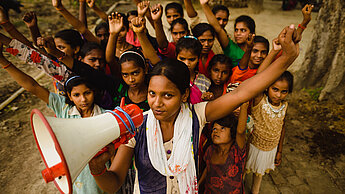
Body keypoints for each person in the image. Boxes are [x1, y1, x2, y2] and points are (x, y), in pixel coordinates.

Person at [87, 24, 299, 194]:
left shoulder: (196, 115)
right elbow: (113, 184)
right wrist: (97, 170)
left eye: (167, 95)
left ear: (185, 95)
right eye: (152, 94)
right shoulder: (136, 126)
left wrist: (287, 57)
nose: (157, 102)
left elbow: (241, 93)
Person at [0, 45, 113, 194]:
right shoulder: (63, 107)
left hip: (98, 180)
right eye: (77, 95)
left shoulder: (105, 116)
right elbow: (32, 86)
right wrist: (3, 62)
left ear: (95, 92)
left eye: (87, 93)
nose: (83, 99)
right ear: (69, 96)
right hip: (74, 179)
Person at [246, 71, 293, 194]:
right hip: (253, 145)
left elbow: (282, 128)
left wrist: (279, 151)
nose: (278, 95)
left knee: (259, 172)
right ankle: (238, 187)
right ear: (267, 87)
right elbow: (260, 76)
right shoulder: (260, 100)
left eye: (284, 91)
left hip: (270, 148)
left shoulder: (285, 106)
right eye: (275, 89)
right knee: (244, 169)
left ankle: (255, 191)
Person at [199, 103, 248, 193]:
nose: (216, 131)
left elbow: (241, 131)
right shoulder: (210, 150)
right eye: (214, 129)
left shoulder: (237, 153)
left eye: (222, 128)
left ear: (232, 132)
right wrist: (198, 185)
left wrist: (244, 104)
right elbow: (207, 169)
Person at [201, 0, 256, 67]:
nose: (238, 33)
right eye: (236, 30)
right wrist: (204, 5)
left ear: (252, 33)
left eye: (243, 30)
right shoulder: (231, 47)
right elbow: (218, 29)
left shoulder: (257, 50)